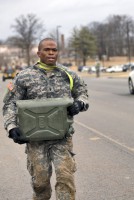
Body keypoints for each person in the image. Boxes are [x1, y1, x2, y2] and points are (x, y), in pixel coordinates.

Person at [3, 38, 89, 200]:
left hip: (62, 138)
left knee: (65, 179)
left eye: (54, 50)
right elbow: (10, 105)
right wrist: (11, 127)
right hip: (35, 140)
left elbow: (83, 93)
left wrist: (79, 103)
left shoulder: (68, 75)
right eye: (47, 50)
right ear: (39, 53)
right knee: (40, 183)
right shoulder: (24, 76)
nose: (51, 53)